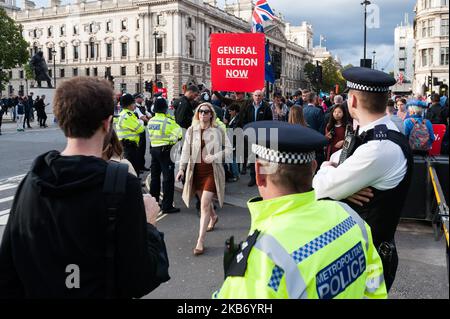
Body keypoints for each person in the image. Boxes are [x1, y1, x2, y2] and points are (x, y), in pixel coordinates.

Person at [0, 77, 170, 298]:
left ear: (61, 120)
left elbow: (9, 270)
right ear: (108, 123)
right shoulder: (122, 184)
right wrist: (148, 225)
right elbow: (139, 279)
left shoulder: (33, 179)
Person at [213, 121, 387, 299]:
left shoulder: (263, 259)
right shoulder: (349, 216)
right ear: (313, 167)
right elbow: (375, 287)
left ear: (259, 172)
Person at [313, 67, 413, 292]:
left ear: (353, 100)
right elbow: (337, 162)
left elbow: (318, 189)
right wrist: (337, 174)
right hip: (359, 251)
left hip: (369, 259)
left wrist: (328, 168)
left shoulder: (377, 148)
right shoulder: (375, 133)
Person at [176, 103, 232, 256]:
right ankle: (213, 217)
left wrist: (214, 156)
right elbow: (185, 151)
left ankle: (200, 240)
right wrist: (181, 168)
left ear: (211, 114)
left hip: (211, 172)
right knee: (204, 203)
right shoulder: (191, 130)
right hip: (196, 172)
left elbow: (228, 149)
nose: (203, 114)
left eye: (206, 112)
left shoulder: (218, 130)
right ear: (197, 114)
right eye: (200, 111)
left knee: (205, 204)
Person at [148, 97, 183, 214]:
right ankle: (167, 206)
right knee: (168, 179)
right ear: (165, 109)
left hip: (154, 150)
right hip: (166, 152)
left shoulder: (151, 121)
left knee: (155, 177)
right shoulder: (169, 122)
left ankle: (154, 201)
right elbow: (179, 135)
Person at [242, 90, 273, 187]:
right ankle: (253, 177)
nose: (257, 97)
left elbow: (269, 122)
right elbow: (244, 119)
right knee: (252, 157)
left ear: (262, 97)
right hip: (250, 134)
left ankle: (262, 177)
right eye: (256, 95)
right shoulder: (248, 107)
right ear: (253, 96)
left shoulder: (266, 107)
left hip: (262, 135)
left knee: (262, 157)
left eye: (259, 96)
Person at [115, 93, 145, 174]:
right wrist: (141, 121)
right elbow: (140, 129)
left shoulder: (124, 114)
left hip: (128, 145)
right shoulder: (127, 115)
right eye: (133, 103)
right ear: (129, 105)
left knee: (132, 167)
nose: (134, 105)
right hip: (129, 147)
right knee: (132, 169)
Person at [134, 93, 151, 173]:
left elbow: (147, 114)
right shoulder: (135, 107)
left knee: (143, 148)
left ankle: (141, 165)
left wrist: (151, 118)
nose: (142, 99)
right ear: (136, 99)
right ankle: (138, 166)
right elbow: (142, 117)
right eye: (141, 98)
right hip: (138, 130)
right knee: (139, 149)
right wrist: (150, 122)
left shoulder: (142, 106)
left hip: (143, 129)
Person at [226, 103, 241, 182]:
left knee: (232, 158)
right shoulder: (234, 118)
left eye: (230, 111)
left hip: (234, 140)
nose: (229, 112)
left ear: (235, 111)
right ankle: (235, 173)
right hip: (233, 140)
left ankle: (235, 175)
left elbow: (234, 130)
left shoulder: (237, 119)